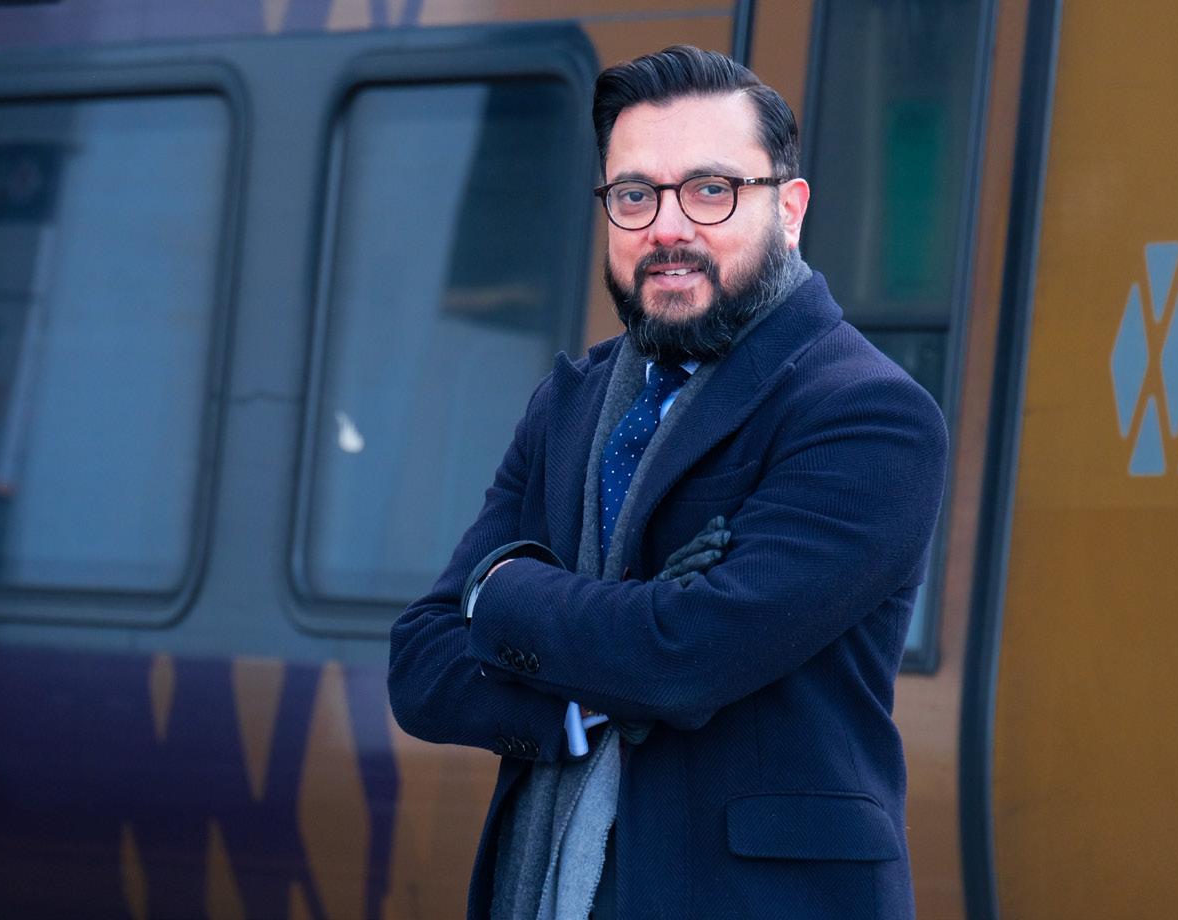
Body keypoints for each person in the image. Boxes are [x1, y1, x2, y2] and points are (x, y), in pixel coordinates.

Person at [389, 45, 947, 920]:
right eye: (634, 195)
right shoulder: (568, 402)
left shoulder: (868, 414)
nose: (666, 227)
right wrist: (577, 702)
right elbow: (420, 664)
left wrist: (501, 590)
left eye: (710, 190)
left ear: (789, 209)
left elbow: (682, 659)